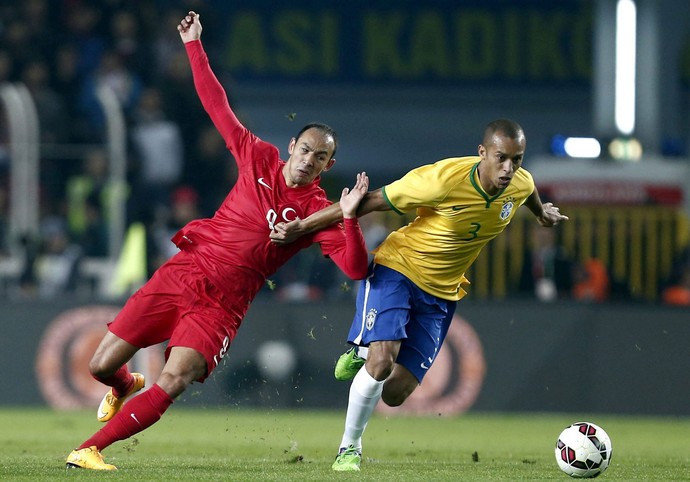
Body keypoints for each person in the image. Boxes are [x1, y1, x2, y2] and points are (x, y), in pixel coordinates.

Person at [65, 11, 370, 470]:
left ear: (327, 166)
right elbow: (216, 106)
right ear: (291, 146)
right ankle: (125, 385)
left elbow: (355, 269)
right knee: (100, 365)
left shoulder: (317, 210)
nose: (309, 161)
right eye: (306, 149)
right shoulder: (258, 156)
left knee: (175, 377)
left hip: (222, 305)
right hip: (185, 271)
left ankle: (88, 449)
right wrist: (193, 44)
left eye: (320, 157)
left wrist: (348, 218)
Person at [270, 118, 569, 472]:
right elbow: (369, 201)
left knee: (396, 394)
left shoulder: (520, 182)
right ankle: (349, 448)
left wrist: (541, 212)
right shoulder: (441, 180)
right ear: (482, 153)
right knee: (381, 363)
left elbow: (527, 191)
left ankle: (362, 347)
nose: (508, 169)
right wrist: (301, 227)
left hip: (442, 294)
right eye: (501, 158)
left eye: (516, 160)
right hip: (398, 269)